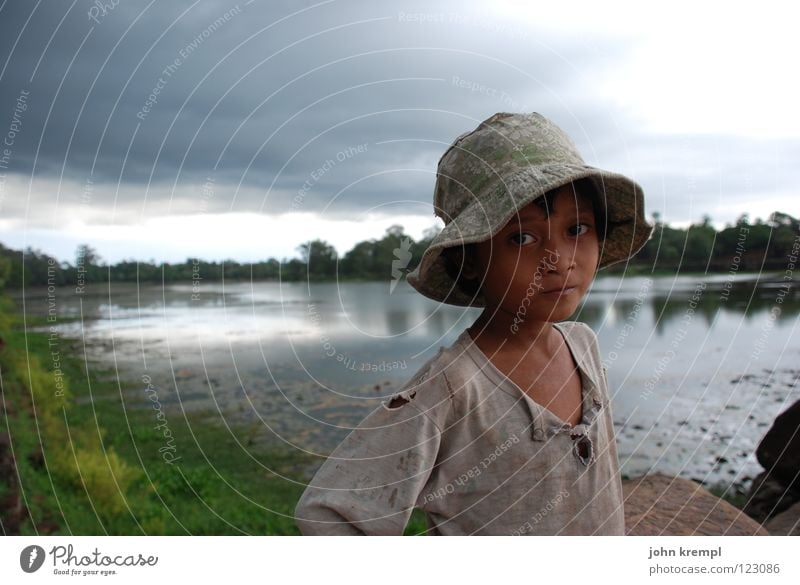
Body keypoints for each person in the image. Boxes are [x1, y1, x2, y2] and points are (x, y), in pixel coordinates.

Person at [294, 112, 654, 535]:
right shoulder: (454, 386)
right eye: (522, 238)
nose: (560, 259)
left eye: (578, 228)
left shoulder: (583, 344)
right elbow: (331, 515)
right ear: (469, 262)